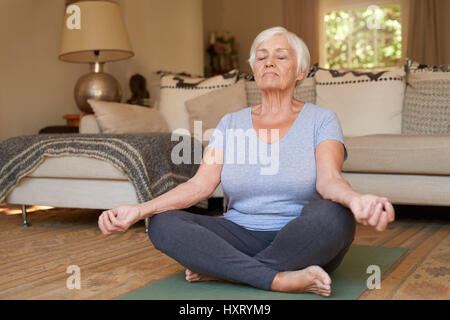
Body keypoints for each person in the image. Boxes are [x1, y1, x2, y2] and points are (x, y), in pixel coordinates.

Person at [98, 26, 395, 297]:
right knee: (162, 224)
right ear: (253, 68)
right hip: (237, 234)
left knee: (336, 216)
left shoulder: (321, 119)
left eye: (281, 56)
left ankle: (224, 271)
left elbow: (329, 180)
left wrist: (356, 201)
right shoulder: (230, 123)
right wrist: (138, 211)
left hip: (300, 236)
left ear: (301, 71)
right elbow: (200, 185)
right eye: (261, 57)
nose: (269, 62)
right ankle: (280, 278)